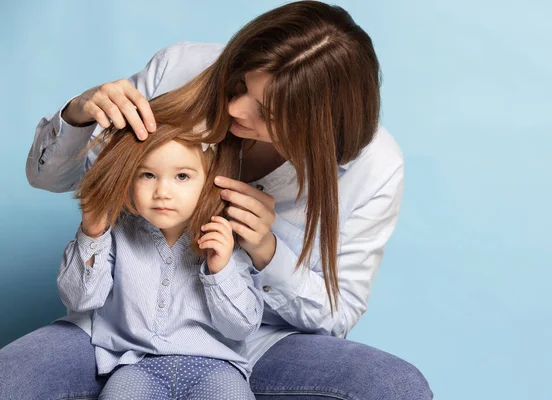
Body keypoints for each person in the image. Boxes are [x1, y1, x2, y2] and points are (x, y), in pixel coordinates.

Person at [1, 1, 433, 399]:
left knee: (396, 386)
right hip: (118, 332)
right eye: (240, 84)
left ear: (317, 127)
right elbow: (52, 178)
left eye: (266, 112)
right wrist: (78, 113)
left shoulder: (374, 167)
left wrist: (265, 251)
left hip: (251, 342)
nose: (236, 108)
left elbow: (337, 315)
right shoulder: (180, 70)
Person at [57, 113, 260, 399]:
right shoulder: (117, 231)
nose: (162, 192)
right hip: (135, 365)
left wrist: (221, 270)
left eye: (182, 176)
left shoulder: (223, 237)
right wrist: (92, 233)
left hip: (217, 367)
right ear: (129, 178)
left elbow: (240, 328)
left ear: (208, 180)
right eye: (148, 175)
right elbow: (80, 299)